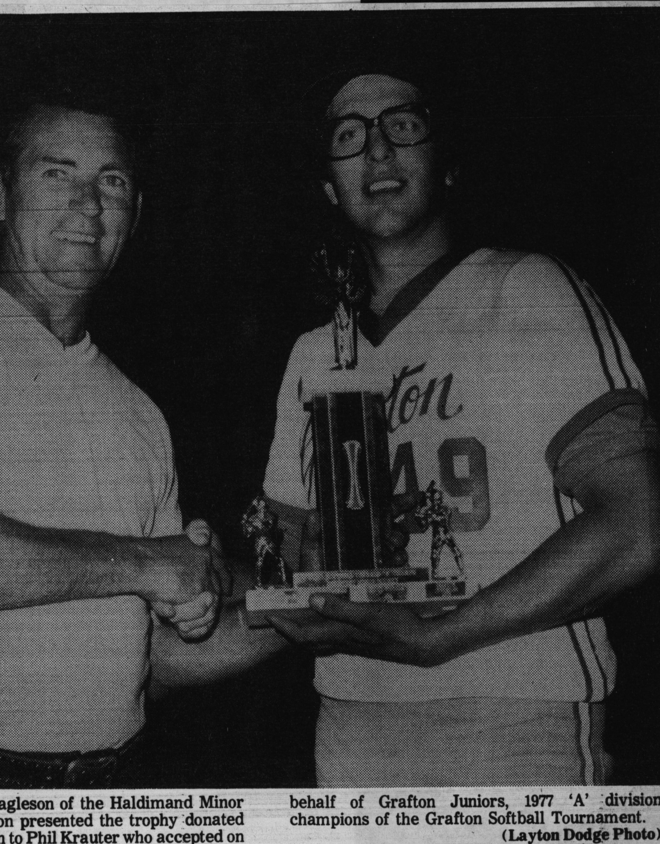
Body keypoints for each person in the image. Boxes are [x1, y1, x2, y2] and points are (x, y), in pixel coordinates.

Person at [263, 68, 660, 786]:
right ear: (328, 188)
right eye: (350, 136)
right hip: (350, 710)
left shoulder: (526, 289)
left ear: (446, 165)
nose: (377, 150)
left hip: (516, 706)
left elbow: (638, 522)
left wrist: (441, 636)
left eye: (403, 126)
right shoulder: (315, 353)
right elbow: (290, 556)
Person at [0, 92, 232, 789]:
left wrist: (305, 618)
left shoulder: (141, 412)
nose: (88, 204)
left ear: (135, 213)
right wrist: (147, 563)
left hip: (109, 788)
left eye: (111, 180)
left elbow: (152, 660)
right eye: (57, 173)